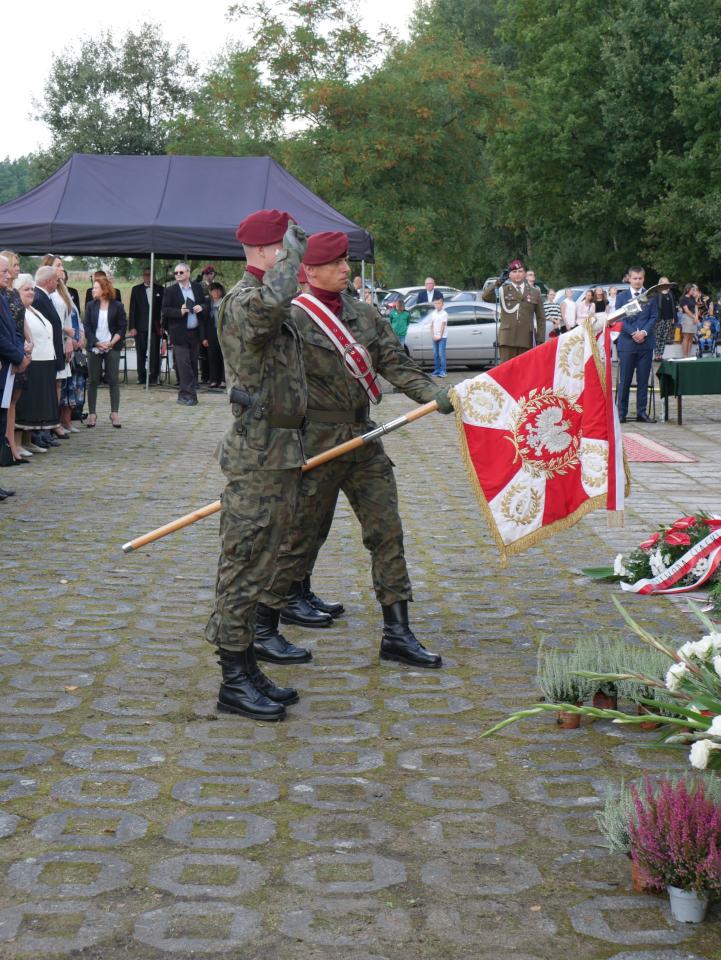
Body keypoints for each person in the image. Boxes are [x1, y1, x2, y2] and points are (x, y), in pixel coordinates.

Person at [256, 231, 453, 670]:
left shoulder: (365, 315)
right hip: (317, 444)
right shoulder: (290, 318)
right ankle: (262, 627)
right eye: (336, 262)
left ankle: (398, 634)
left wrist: (436, 396)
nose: (346, 268)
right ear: (309, 271)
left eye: (346, 261)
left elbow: (397, 366)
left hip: (363, 440)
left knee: (387, 532)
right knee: (300, 539)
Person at [204, 208, 309, 722]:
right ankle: (231, 679)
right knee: (243, 568)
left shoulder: (263, 299)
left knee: (263, 566)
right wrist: (294, 256)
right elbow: (273, 305)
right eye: (286, 251)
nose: (296, 263)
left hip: (279, 452)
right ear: (269, 252)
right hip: (256, 457)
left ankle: (246, 667)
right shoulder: (247, 301)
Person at [14, 274, 61, 447]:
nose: (31, 292)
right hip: (32, 362)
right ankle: (18, 443)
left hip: (45, 361)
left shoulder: (33, 309)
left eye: (32, 289)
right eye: (26, 289)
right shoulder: (19, 311)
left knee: (35, 407)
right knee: (25, 405)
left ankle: (28, 442)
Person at [161, 263, 209, 406]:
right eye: (176, 273)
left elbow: (207, 304)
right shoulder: (170, 290)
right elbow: (165, 310)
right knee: (184, 364)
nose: (178, 275)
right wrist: (180, 311)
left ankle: (183, 394)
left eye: (181, 272)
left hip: (195, 333)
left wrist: (202, 307)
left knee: (193, 364)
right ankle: (190, 396)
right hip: (179, 333)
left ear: (188, 273)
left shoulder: (198, 288)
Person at [0, 256, 30, 486]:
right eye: (3, 271)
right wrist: (18, 356)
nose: (9, 275)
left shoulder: (3, 297)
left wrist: (20, 353)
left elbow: (14, 330)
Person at [615, 265, 658, 424]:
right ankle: (621, 413)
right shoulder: (621, 297)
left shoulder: (651, 296)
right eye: (635, 278)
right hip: (627, 344)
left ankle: (642, 412)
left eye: (640, 278)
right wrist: (633, 333)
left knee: (643, 381)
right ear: (629, 278)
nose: (637, 281)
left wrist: (643, 333)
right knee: (624, 380)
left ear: (644, 279)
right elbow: (619, 318)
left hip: (645, 345)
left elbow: (654, 317)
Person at [83, 275, 127, 428]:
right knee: (93, 380)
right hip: (94, 347)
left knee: (113, 380)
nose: (92, 290)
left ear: (104, 290)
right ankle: (92, 413)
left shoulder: (118, 306)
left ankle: (114, 413)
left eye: (95, 287)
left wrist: (110, 343)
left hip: (112, 346)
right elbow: (87, 327)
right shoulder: (90, 305)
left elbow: (122, 327)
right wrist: (96, 342)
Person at [482, 259, 545, 363]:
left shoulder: (535, 292)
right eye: (514, 272)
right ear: (509, 275)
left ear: (525, 274)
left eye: (520, 271)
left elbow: (541, 318)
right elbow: (486, 297)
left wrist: (540, 339)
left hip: (526, 338)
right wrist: (499, 281)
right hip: (507, 339)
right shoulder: (503, 290)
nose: (517, 274)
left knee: (525, 372)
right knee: (507, 373)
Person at [129, 267, 164, 384]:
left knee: (154, 353)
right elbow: (132, 309)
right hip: (140, 326)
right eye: (145, 274)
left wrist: (163, 325)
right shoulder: (136, 289)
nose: (147, 276)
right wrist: (132, 327)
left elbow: (163, 309)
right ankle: (141, 376)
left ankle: (154, 376)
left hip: (155, 326)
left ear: (153, 276)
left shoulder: (160, 289)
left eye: (149, 275)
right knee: (141, 352)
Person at [206, 282, 226, 388]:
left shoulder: (225, 302)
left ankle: (223, 380)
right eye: (213, 290)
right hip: (211, 333)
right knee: (212, 356)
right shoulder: (207, 303)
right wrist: (204, 337)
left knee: (224, 356)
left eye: (218, 290)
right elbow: (204, 321)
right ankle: (214, 379)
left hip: (224, 332)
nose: (216, 292)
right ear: (210, 292)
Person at [654, 277, 676, 361]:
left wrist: (674, 317)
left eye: (668, 282)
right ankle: (656, 355)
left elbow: (673, 306)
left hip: (669, 318)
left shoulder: (670, 293)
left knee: (664, 337)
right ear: (660, 284)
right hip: (660, 319)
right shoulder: (657, 294)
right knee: (658, 337)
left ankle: (661, 355)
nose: (667, 284)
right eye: (665, 282)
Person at [678, 283, 699, 359]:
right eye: (692, 290)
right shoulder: (683, 298)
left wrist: (696, 316)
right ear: (687, 290)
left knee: (691, 337)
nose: (693, 291)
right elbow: (686, 310)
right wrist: (694, 317)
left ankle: (689, 355)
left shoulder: (693, 298)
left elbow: (696, 307)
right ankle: (685, 355)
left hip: (694, 318)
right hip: (687, 318)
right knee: (686, 337)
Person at [430, 293, 448, 376]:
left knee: (441, 354)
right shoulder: (433, 313)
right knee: (435, 354)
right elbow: (432, 324)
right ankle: (437, 370)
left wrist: (439, 336)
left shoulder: (444, 313)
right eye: (435, 303)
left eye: (439, 303)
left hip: (442, 337)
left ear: (442, 304)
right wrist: (433, 335)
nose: (437, 305)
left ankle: (443, 371)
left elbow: (443, 325)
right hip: (435, 337)